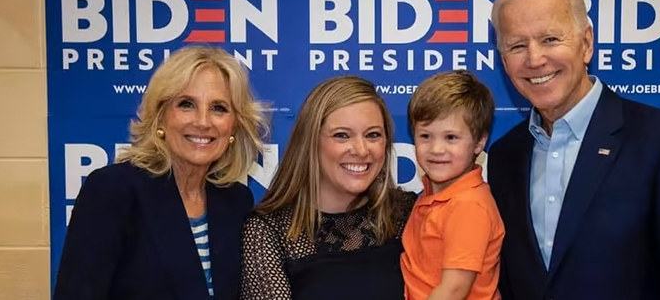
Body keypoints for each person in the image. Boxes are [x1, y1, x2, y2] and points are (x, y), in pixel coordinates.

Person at [487, 0, 660, 299]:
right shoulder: (505, 155)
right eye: (518, 45)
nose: (534, 59)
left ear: (586, 43)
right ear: (504, 61)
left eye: (550, 39)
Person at [53, 45, 267, 300]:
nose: (202, 121)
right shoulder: (113, 190)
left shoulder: (236, 200)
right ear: (160, 117)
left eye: (218, 108)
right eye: (186, 104)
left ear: (234, 125)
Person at [238, 75, 418, 300]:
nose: (361, 150)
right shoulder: (269, 231)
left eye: (373, 135)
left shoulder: (406, 213)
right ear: (311, 142)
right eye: (342, 135)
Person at [401, 70, 505, 300]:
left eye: (451, 137)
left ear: (479, 142)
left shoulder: (468, 206)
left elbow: (454, 290)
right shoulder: (432, 194)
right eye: (425, 136)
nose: (437, 149)